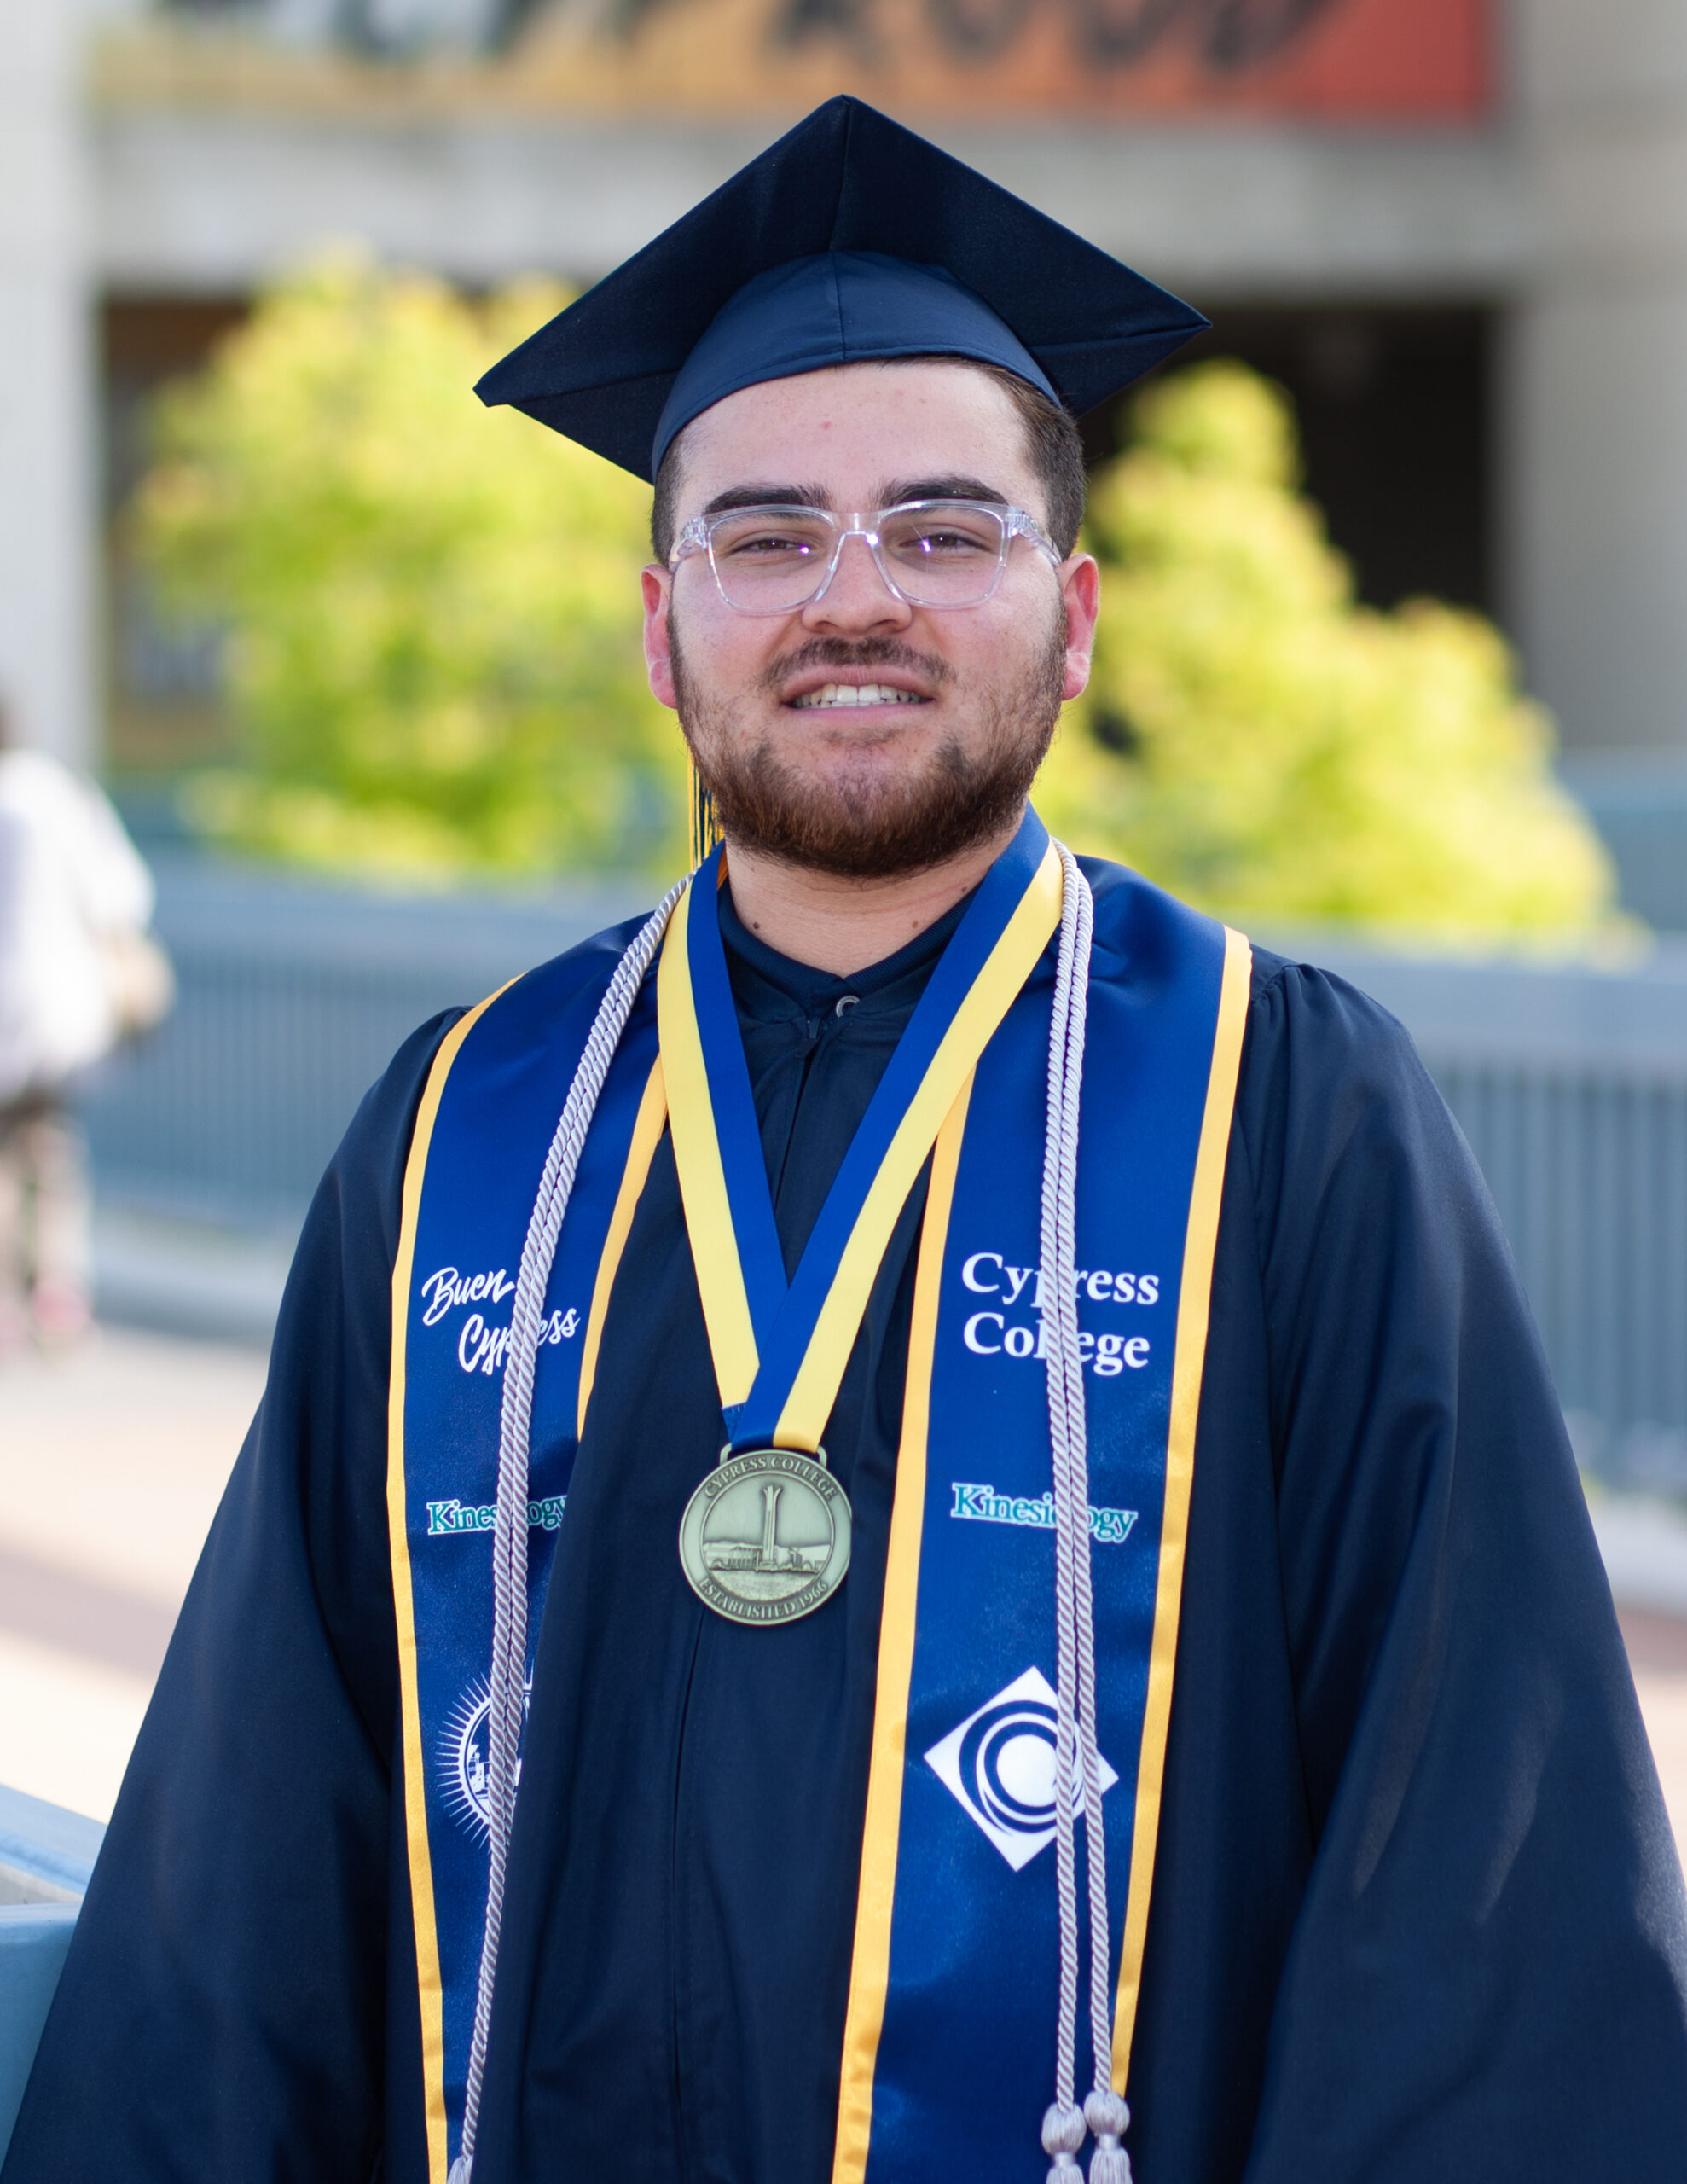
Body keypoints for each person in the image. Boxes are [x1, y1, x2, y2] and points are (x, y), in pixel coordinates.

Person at [5, 97, 1684, 2184]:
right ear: (659, 627)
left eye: (942, 526)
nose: (852, 594)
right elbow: (252, 1863)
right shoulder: (461, 1136)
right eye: (770, 532)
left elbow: (1473, 1885)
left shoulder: (1283, 1111)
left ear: (1070, 617)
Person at [0, 703, 168, 1351]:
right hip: (58, 1008)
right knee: (49, 1142)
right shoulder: (59, 795)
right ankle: (57, 1291)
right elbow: (121, 895)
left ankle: (13, 1299)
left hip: (19, 1007)